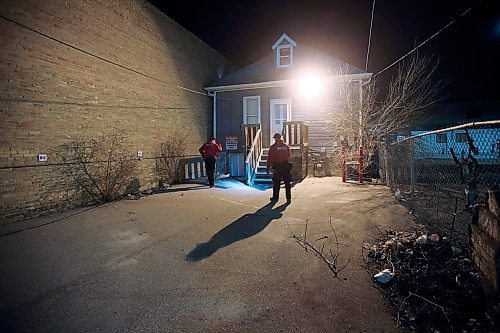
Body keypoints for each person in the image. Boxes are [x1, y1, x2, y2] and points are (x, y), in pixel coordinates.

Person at [266, 133, 292, 203]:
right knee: (287, 183)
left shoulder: (273, 147)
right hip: (286, 166)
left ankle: (275, 198)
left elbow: (270, 158)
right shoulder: (286, 146)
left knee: (276, 183)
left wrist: (268, 168)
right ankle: (288, 198)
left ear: (276, 138)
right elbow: (289, 155)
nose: (275, 139)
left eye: (275, 138)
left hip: (278, 167)